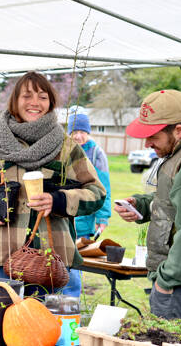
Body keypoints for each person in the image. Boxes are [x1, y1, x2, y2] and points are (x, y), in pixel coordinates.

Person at [0, 71, 106, 294]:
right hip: (1, 260)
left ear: (51, 103)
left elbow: (97, 192)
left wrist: (60, 200)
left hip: (52, 263)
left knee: (51, 326)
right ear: (15, 101)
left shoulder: (65, 147)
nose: (35, 103)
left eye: (43, 97)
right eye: (27, 96)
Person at [115, 89, 181, 320]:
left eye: (154, 135)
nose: (147, 142)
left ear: (179, 131)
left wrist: (167, 281)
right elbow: (178, 205)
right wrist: (141, 205)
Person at [63, 106, 111, 297]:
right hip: (63, 215)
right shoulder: (63, 150)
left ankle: (70, 304)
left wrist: (103, 217)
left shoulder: (96, 154)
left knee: (74, 266)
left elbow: (103, 188)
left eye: (82, 132)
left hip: (84, 218)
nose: (78, 136)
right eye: (74, 131)